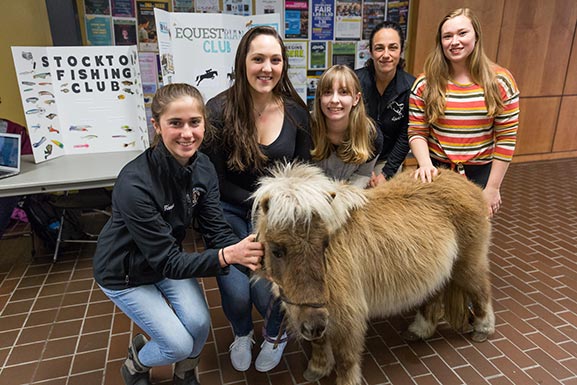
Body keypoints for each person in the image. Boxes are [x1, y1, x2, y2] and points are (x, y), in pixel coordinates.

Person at [92, 83, 264, 385]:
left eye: (194, 123)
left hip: (165, 262)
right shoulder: (135, 184)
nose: (187, 133)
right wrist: (227, 256)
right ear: (157, 125)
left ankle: (184, 374)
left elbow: (216, 229)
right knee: (177, 344)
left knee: (198, 325)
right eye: (175, 123)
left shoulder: (204, 167)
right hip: (125, 274)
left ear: (204, 124)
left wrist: (253, 259)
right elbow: (170, 261)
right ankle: (137, 362)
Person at [203, 26, 312, 372]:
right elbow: (214, 179)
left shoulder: (297, 112)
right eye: (258, 59)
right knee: (237, 291)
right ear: (242, 62)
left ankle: (276, 335)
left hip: (279, 217)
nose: (267, 67)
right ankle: (241, 332)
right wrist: (258, 202)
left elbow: (303, 170)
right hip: (229, 210)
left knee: (269, 293)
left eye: (275, 60)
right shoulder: (218, 110)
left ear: (283, 66)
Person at [408, 8, 520, 217]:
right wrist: (425, 165)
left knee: (471, 242)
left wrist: (493, 188)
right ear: (440, 42)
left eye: (462, 33)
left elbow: (506, 138)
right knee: (436, 239)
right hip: (436, 171)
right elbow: (417, 131)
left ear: (476, 36)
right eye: (447, 36)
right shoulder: (425, 83)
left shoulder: (501, 81)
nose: (454, 41)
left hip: (480, 175)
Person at [355, 21, 416, 186]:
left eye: (393, 47)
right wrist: (364, 171)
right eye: (379, 48)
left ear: (401, 50)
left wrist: (386, 173)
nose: (386, 54)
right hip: (355, 157)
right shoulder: (355, 81)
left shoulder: (411, 87)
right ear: (371, 51)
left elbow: (405, 135)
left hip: (388, 161)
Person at [311, 64, 383, 188]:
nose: (334, 100)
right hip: (314, 195)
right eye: (327, 92)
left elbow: (363, 174)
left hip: (349, 196)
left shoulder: (371, 135)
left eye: (343, 92)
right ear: (319, 98)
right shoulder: (306, 128)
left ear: (356, 99)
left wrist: (341, 201)